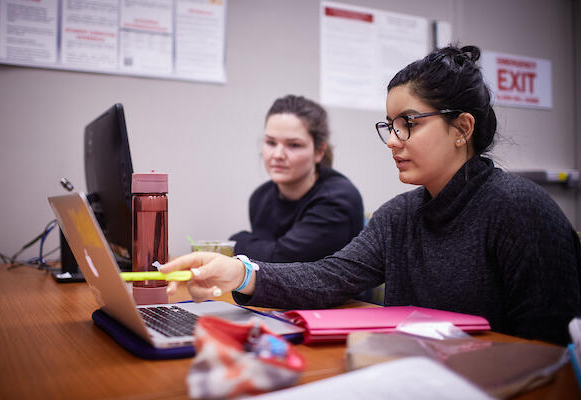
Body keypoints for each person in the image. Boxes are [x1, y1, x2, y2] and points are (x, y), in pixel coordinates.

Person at [163, 45, 581, 346]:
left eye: (409, 123)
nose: (393, 141)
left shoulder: (520, 210)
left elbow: (549, 351)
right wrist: (240, 272)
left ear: (462, 129)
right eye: (389, 125)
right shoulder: (398, 216)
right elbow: (328, 277)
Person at [229, 94, 364, 262]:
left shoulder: (337, 199)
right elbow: (261, 267)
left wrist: (236, 241)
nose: (277, 155)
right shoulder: (260, 198)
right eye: (271, 143)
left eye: (293, 145)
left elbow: (282, 261)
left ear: (319, 152)